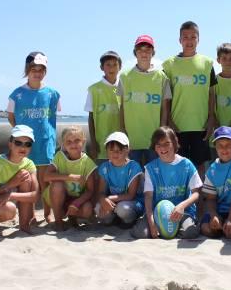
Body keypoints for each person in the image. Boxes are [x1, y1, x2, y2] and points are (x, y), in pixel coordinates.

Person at [7, 51, 61, 223]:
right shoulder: (16, 94)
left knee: (45, 181)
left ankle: (47, 213)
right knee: (28, 181)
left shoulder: (52, 93)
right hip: (26, 145)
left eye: (41, 69)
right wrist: (20, 134)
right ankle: (29, 214)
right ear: (27, 69)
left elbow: (53, 115)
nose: (37, 73)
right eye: (33, 69)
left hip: (46, 143)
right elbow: (11, 116)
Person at [162, 21, 217, 177]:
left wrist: (211, 117)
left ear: (198, 39)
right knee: (179, 164)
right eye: (185, 37)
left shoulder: (207, 63)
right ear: (180, 40)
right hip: (178, 124)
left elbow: (211, 93)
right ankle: (183, 199)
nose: (189, 40)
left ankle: (198, 200)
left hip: (200, 124)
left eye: (193, 36)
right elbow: (166, 96)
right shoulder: (169, 65)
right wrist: (169, 121)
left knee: (200, 165)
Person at [130, 126, 201, 239]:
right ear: (155, 148)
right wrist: (151, 220)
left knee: (190, 233)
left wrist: (182, 206)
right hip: (157, 212)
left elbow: (196, 193)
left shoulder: (186, 164)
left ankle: (176, 227)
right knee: (141, 234)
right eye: (158, 145)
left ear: (174, 142)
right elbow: (148, 196)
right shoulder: (150, 168)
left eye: (166, 143)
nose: (162, 148)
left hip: (181, 212)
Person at [119, 35, 171, 166]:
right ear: (135, 52)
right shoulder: (125, 76)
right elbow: (122, 107)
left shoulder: (162, 77)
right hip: (132, 138)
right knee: (132, 176)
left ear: (153, 53)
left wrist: (162, 132)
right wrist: (122, 129)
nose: (144, 53)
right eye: (140, 49)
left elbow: (165, 108)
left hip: (153, 138)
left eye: (148, 49)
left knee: (154, 175)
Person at [43, 126, 97, 231]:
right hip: (58, 198)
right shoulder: (59, 156)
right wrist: (70, 177)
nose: (73, 144)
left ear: (83, 141)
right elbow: (46, 176)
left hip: (77, 199)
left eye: (77, 140)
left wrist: (76, 204)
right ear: (63, 144)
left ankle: (73, 218)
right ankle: (58, 221)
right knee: (57, 184)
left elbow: (90, 190)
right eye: (69, 142)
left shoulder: (88, 163)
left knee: (87, 209)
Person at [96, 132, 144, 227]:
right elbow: (100, 192)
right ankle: (114, 219)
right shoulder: (104, 167)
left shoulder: (133, 167)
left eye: (120, 150)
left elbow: (131, 195)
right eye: (111, 150)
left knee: (123, 209)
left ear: (127, 150)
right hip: (115, 202)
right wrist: (102, 199)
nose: (115, 153)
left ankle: (129, 220)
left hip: (133, 202)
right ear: (106, 151)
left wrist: (109, 198)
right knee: (98, 209)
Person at [85, 51, 122, 163]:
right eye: (108, 65)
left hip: (120, 141)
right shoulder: (94, 89)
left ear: (120, 67)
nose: (112, 68)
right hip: (101, 142)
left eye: (115, 65)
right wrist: (93, 141)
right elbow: (91, 117)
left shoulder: (124, 87)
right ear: (102, 67)